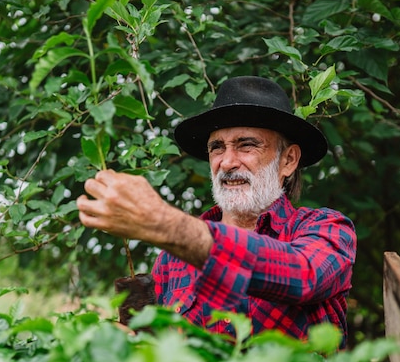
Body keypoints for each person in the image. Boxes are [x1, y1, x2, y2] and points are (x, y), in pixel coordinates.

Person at [77, 76, 356, 346]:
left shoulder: (324, 228)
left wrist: (163, 224)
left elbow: (305, 275)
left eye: (246, 145)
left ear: (288, 160)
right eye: (217, 148)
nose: (227, 162)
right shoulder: (171, 260)